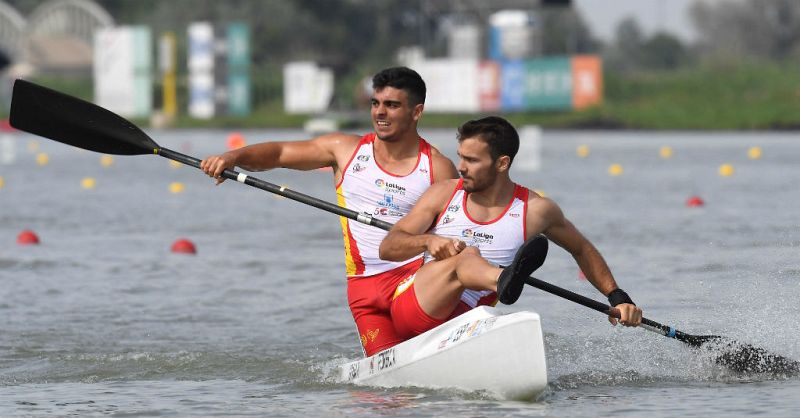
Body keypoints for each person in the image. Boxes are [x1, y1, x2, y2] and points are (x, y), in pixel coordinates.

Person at [200, 67, 459, 356]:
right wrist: (233, 156)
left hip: (414, 282)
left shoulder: (437, 167)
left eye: (392, 105)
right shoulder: (344, 150)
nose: (380, 113)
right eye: (375, 104)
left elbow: (457, 232)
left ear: (416, 112)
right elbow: (280, 154)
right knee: (388, 395)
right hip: (364, 290)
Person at [378, 116, 642, 341]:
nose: (461, 167)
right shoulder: (443, 194)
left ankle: (504, 282)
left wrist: (618, 297)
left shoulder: (537, 210)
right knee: (467, 255)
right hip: (413, 309)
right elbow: (388, 247)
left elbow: (582, 249)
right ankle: (502, 279)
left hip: (465, 321)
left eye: (471, 160)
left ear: (502, 163)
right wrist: (426, 242)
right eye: (460, 157)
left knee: (474, 272)